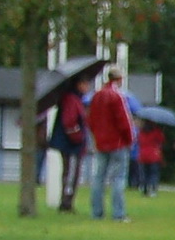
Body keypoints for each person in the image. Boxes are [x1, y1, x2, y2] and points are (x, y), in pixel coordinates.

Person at [86, 67, 135, 222]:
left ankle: (96, 212)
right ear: (119, 78)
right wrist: (129, 139)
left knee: (98, 178)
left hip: (101, 142)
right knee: (118, 178)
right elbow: (124, 121)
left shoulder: (96, 95)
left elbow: (90, 120)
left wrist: (96, 137)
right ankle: (118, 213)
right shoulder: (117, 96)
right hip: (118, 143)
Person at [49, 74, 92, 212]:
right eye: (85, 83)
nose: (88, 87)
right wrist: (78, 137)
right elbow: (69, 121)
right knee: (71, 173)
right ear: (78, 84)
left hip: (71, 143)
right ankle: (66, 202)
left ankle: (67, 201)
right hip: (71, 144)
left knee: (70, 172)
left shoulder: (75, 99)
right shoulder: (72, 99)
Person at [135, 119, 166, 197]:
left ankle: (145, 189)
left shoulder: (141, 132)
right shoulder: (157, 132)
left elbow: (138, 141)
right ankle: (153, 190)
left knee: (144, 174)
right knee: (153, 174)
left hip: (142, 155)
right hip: (153, 155)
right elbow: (161, 141)